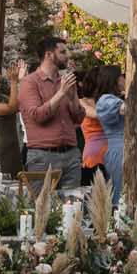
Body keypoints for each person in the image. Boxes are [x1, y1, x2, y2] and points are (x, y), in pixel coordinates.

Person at [19, 37, 85, 190]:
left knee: (72, 207)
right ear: (49, 55)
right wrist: (61, 93)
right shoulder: (29, 82)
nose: (67, 56)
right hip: (43, 156)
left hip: (71, 154)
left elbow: (79, 118)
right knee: (43, 208)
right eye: (62, 52)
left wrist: (73, 96)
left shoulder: (65, 81)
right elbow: (37, 116)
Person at [89, 64, 127, 194]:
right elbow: (126, 110)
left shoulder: (116, 98)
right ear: (114, 79)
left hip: (125, 148)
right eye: (122, 76)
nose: (124, 79)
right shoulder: (106, 100)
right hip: (119, 150)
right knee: (121, 191)